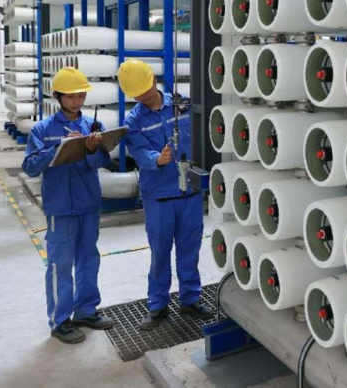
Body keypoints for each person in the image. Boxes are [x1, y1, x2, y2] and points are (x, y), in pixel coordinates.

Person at [117, 59, 211, 329]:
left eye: (146, 88)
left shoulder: (183, 104)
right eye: (137, 93)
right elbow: (137, 151)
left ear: (153, 80)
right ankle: (157, 305)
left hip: (189, 191)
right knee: (160, 253)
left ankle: (190, 298)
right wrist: (157, 159)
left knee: (190, 249)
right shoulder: (133, 120)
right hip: (159, 196)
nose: (144, 95)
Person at [22, 67, 114, 344]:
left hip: (88, 204)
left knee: (88, 259)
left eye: (81, 95)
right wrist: (60, 147)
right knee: (60, 265)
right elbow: (30, 167)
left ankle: (86, 310)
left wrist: (92, 150)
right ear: (58, 97)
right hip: (60, 208)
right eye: (71, 96)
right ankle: (60, 321)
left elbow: (102, 163)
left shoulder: (91, 128)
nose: (77, 101)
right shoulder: (42, 129)